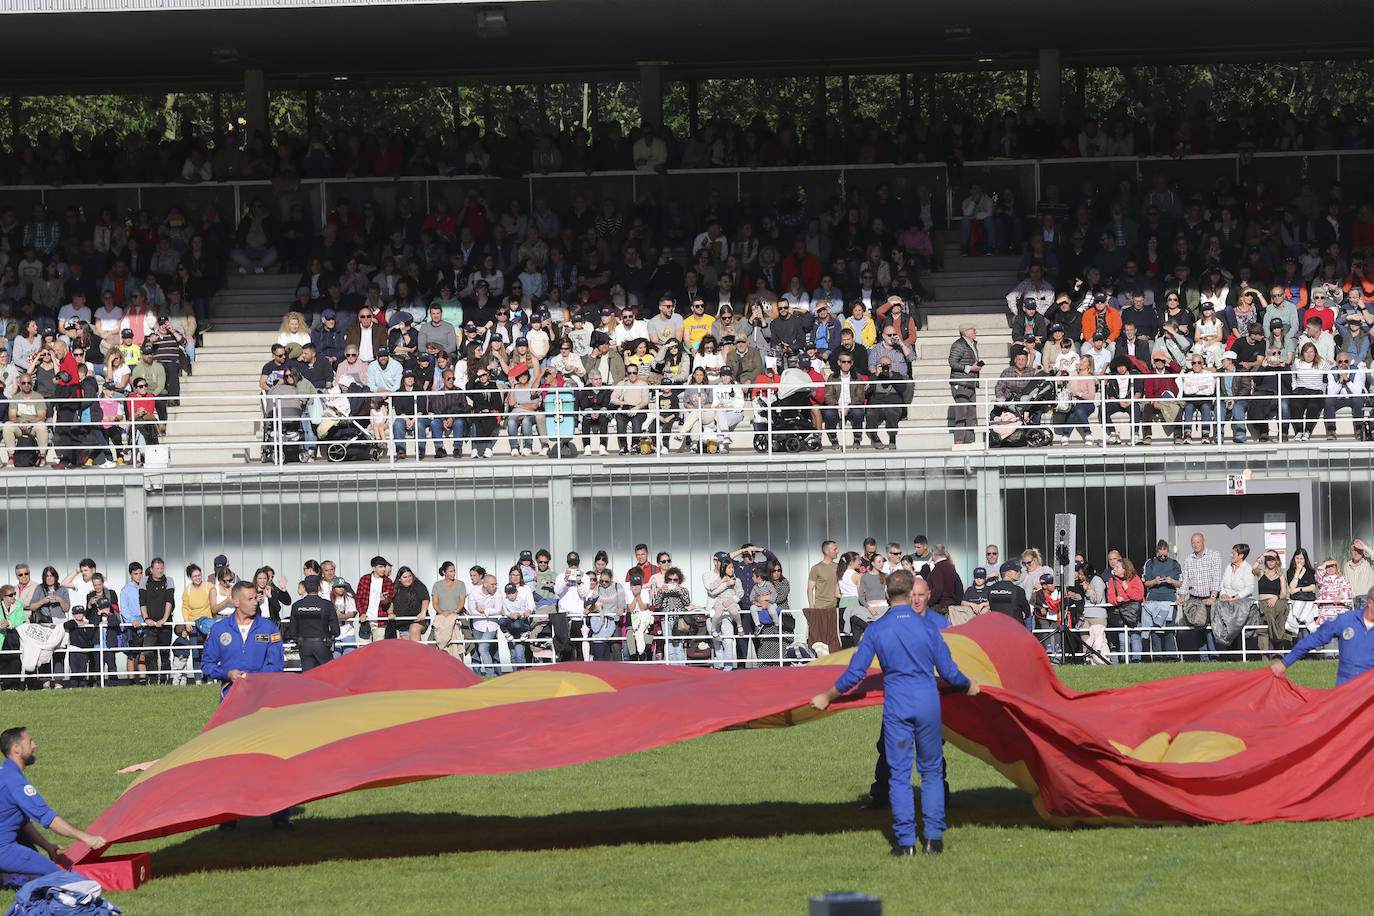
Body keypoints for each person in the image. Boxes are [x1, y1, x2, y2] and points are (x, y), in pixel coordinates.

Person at [810, 573, 980, 856]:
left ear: (887, 595)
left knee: (899, 776)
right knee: (932, 772)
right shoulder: (929, 628)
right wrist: (969, 685)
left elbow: (855, 673)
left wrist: (827, 696)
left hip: (897, 707)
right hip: (927, 704)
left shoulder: (876, 630)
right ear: (909, 593)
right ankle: (933, 840)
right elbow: (949, 672)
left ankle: (905, 843)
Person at [200, 581, 290, 829]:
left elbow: (277, 666)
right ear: (236, 601)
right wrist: (228, 674)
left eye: (257, 598)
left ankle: (280, 815)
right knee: (230, 762)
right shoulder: (219, 630)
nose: (256, 602)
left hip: (262, 704)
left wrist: (254, 680)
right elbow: (207, 665)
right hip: (231, 705)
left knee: (269, 760)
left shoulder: (268, 627)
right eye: (251, 599)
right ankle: (228, 818)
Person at [0, 727, 107, 881]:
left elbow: (22, 822)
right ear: (16, 749)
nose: (34, 745)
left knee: (35, 866)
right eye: (29, 742)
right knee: (62, 879)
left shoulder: (5, 772)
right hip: (3, 849)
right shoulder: (15, 781)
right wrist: (86, 838)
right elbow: (48, 818)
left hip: (7, 842)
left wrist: (47, 846)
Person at [1272, 587, 1374, 685]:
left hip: (1369, 692)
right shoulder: (1346, 620)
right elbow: (1313, 639)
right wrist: (1285, 662)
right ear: (1370, 603)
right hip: (1345, 690)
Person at [287, 575, 339, 672]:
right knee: (329, 674)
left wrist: (297, 639)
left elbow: (292, 630)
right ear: (319, 587)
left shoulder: (297, 605)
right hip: (322, 644)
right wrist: (330, 637)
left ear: (305, 588)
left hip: (304, 645)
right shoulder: (327, 605)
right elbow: (336, 630)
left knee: (308, 677)